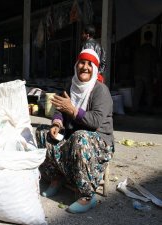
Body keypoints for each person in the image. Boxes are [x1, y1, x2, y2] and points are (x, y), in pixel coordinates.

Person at [36, 49, 114, 213]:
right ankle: (56, 179)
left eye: (89, 64)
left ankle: (87, 196)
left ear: (95, 69)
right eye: (82, 62)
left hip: (98, 142)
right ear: (76, 65)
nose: (85, 67)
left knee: (80, 137)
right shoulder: (71, 86)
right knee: (42, 133)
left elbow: (95, 121)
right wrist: (57, 123)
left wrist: (73, 110)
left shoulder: (100, 91)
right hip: (74, 137)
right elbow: (60, 109)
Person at [132, 30, 158, 113]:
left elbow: (134, 61)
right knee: (149, 92)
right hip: (147, 74)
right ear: (151, 38)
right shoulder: (152, 49)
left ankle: (134, 109)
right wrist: (155, 76)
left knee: (137, 93)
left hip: (137, 73)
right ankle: (149, 110)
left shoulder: (139, 49)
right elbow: (154, 64)